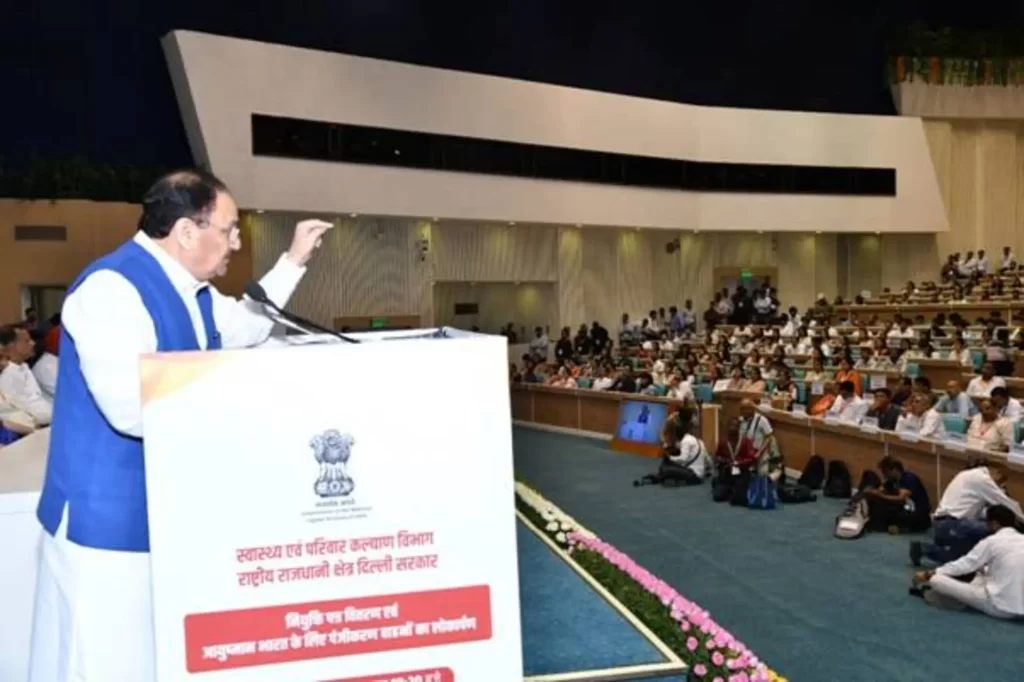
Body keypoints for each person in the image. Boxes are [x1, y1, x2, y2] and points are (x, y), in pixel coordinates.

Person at [27, 169, 333, 682]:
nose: (237, 242)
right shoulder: (112, 288)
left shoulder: (196, 294)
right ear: (188, 232)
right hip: (105, 525)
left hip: (164, 517)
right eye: (230, 229)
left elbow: (251, 326)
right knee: (100, 662)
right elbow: (129, 406)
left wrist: (293, 260)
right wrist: (246, 404)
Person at [912, 505, 1024, 620]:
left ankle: (956, 598)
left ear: (995, 524)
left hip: (999, 607)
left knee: (936, 580)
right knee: (982, 572)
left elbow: (965, 565)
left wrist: (930, 573)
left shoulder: (991, 541)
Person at [910, 464, 1024, 567]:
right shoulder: (983, 480)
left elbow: (980, 511)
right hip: (955, 524)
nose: (1001, 484)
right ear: (996, 472)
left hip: (942, 523)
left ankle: (924, 548)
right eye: (1002, 480)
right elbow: (1008, 504)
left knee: (962, 558)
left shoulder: (965, 475)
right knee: (998, 529)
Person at [635, 407, 709, 487]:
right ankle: (669, 471)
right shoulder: (672, 419)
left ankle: (673, 471)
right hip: (675, 440)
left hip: (687, 442)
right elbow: (663, 432)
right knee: (671, 458)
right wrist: (665, 444)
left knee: (683, 458)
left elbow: (696, 435)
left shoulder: (693, 421)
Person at [864, 456, 931, 534]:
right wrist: (872, 491)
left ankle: (899, 527)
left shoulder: (909, 479)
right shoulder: (892, 480)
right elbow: (881, 489)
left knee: (890, 513)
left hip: (918, 513)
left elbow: (901, 498)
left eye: (886, 472)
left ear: (894, 470)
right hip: (906, 508)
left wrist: (880, 495)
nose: (885, 476)